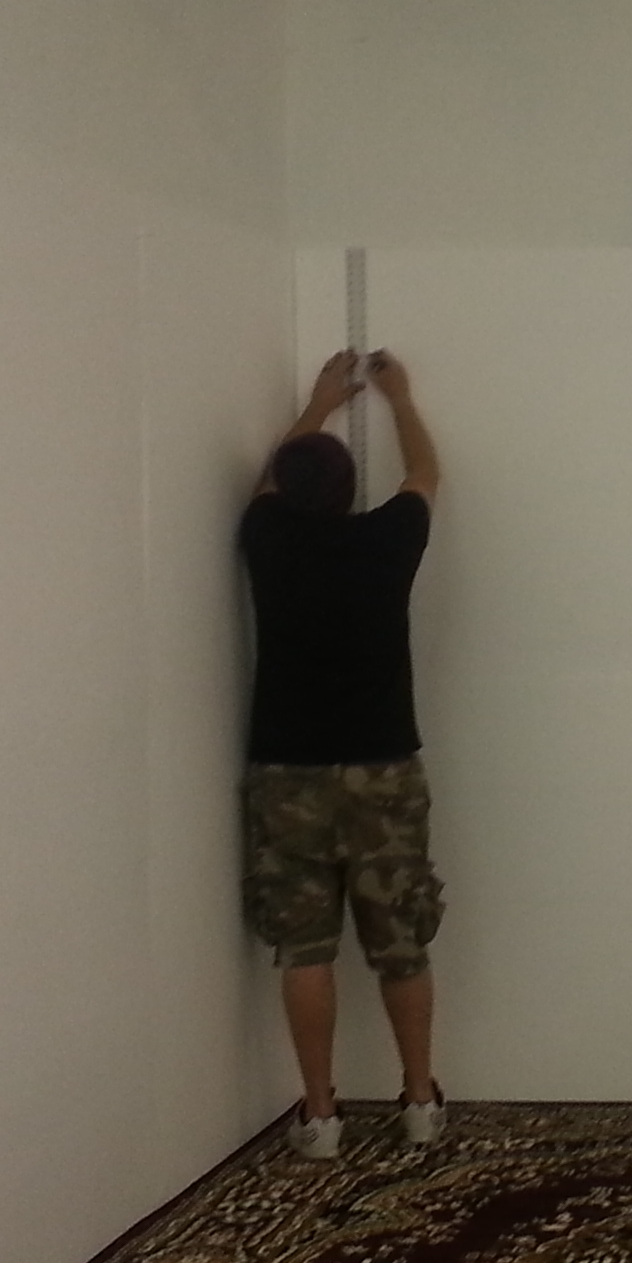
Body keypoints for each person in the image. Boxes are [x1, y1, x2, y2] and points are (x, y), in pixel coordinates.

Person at [238, 348, 446, 1157]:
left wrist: (320, 404)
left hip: (286, 773)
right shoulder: (388, 541)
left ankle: (321, 1116)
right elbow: (425, 473)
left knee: (305, 946)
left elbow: (270, 484)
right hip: (383, 768)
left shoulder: (265, 538)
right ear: (351, 490)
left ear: (285, 490)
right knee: (401, 945)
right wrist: (401, 398)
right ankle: (420, 1102)